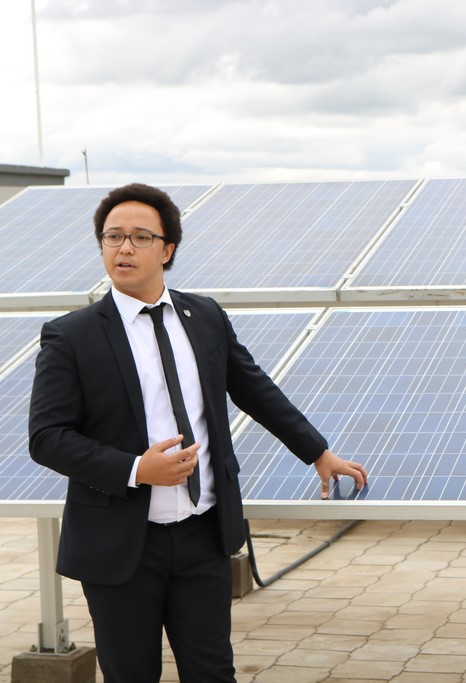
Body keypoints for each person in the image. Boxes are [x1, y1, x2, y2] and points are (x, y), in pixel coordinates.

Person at [28, 183, 369, 683]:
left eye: (140, 237)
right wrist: (136, 469)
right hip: (120, 543)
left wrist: (317, 452)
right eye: (113, 236)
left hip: (203, 534)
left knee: (213, 673)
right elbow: (47, 437)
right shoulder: (71, 335)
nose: (124, 248)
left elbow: (254, 389)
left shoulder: (204, 316)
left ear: (167, 250)